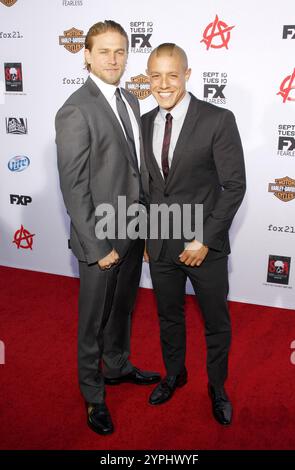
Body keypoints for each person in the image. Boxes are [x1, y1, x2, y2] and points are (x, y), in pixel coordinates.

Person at [55, 20, 160, 436]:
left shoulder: (132, 100)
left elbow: (135, 171)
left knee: (122, 309)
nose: (113, 59)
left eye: (120, 52)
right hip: (99, 237)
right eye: (104, 52)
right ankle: (93, 393)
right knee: (93, 321)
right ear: (86, 55)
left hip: (132, 230)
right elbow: (74, 185)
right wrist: (98, 246)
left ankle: (116, 367)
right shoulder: (75, 109)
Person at [142, 43, 246, 425]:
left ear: (187, 74)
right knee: (168, 316)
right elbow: (150, 188)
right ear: (148, 78)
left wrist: (204, 240)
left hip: (205, 246)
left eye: (172, 74)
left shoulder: (218, 119)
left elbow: (234, 186)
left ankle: (217, 387)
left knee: (216, 321)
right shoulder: (145, 121)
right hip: (162, 244)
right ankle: (174, 374)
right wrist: (147, 239)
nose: (163, 84)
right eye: (155, 75)